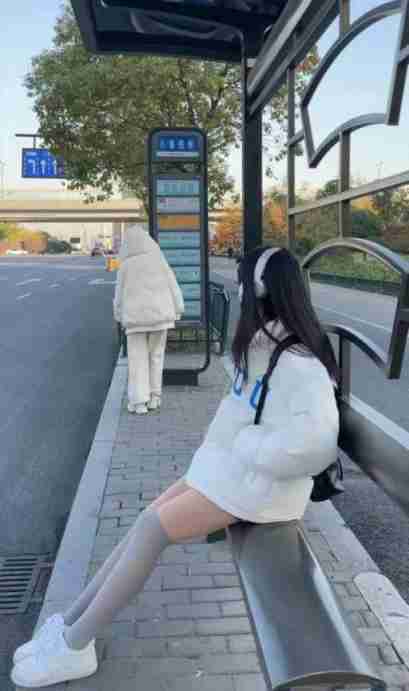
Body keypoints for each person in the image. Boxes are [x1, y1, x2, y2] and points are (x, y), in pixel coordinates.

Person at [11, 245, 340, 688]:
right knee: (146, 518)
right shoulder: (267, 345)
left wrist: (249, 446)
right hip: (235, 473)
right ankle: (70, 622)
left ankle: (76, 646)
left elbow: (316, 445)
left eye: (243, 285)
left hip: (263, 490)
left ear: (260, 291)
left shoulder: (299, 361)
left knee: (152, 530)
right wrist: (232, 448)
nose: (239, 294)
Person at [113, 225, 185, 414]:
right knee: (156, 357)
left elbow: (118, 296)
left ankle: (139, 402)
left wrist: (118, 315)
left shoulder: (125, 265)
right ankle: (155, 397)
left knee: (137, 360)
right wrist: (178, 308)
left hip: (135, 320)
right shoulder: (158, 259)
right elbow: (172, 285)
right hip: (160, 317)